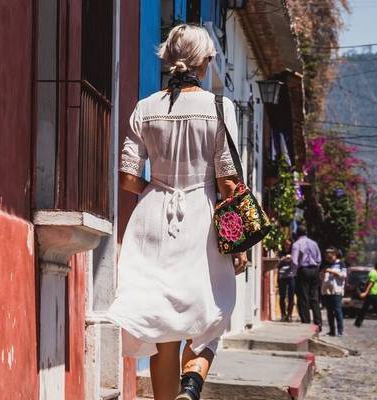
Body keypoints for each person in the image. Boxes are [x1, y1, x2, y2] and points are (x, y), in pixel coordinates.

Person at [107, 24, 248, 400]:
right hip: (201, 221)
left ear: (169, 58)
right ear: (204, 61)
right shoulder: (220, 108)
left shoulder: (145, 108)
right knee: (211, 316)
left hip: (151, 222)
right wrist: (238, 245)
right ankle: (192, 384)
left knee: (163, 328)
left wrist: (158, 188)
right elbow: (229, 183)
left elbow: (128, 179)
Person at [291, 224, 322, 327]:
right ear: (306, 233)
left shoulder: (296, 244)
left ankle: (306, 321)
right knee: (314, 296)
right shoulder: (314, 243)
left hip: (303, 270)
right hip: (314, 270)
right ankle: (318, 321)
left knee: (303, 296)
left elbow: (294, 261)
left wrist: (294, 273)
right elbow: (319, 259)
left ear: (297, 234)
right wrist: (316, 268)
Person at [354, 262, 377, 328]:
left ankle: (358, 323)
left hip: (373, 293)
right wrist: (366, 292)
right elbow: (370, 284)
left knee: (368, 309)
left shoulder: (375, 273)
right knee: (372, 309)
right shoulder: (374, 273)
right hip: (372, 294)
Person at [321, 247, 347, 336]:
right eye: (327, 254)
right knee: (329, 312)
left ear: (335, 254)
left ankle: (340, 331)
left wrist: (331, 271)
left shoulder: (341, 264)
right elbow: (321, 277)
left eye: (330, 254)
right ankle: (332, 331)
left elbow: (343, 275)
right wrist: (323, 273)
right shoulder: (326, 265)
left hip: (337, 290)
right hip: (327, 291)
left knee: (337, 310)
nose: (328, 256)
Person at [277, 249, 295, 322]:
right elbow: (277, 265)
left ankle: (289, 314)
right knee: (282, 296)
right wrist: (283, 259)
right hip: (282, 277)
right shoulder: (280, 253)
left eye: (288, 244)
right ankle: (283, 314)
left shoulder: (294, 252)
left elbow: (297, 263)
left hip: (291, 276)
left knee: (291, 296)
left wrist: (291, 259)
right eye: (285, 244)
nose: (287, 246)